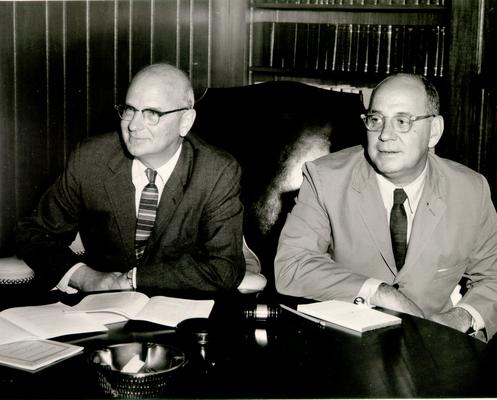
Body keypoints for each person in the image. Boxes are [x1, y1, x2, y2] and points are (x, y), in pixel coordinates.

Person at [275, 73, 497, 341]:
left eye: (402, 121)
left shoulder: (471, 190)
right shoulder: (325, 178)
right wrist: (379, 291)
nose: (385, 135)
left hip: (436, 346)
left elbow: (493, 277)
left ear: (434, 131)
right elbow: (293, 264)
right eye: (375, 119)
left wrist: (459, 318)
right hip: (347, 343)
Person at [16, 63, 245, 295]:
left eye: (152, 114)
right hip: (97, 311)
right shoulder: (91, 159)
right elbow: (32, 232)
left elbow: (225, 268)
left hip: (179, 314)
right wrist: (85, 277)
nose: (134, 126)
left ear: (185, 121)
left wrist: (134, 279)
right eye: (129, 110)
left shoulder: (216, 172)